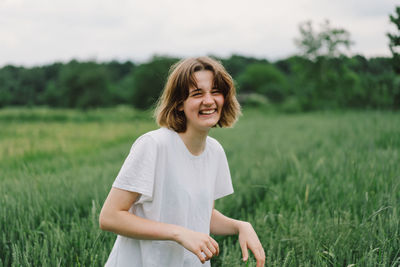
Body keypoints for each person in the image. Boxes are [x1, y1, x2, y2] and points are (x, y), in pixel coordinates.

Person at [99, 56, 265, 267]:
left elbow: (201, 214)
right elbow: (110, 217)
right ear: (179, 104)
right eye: (197, 94)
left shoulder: (215, 151)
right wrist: (178, 233)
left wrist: (240, 226)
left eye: (215, 92)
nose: (209, 100)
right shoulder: (154, 145)